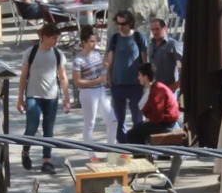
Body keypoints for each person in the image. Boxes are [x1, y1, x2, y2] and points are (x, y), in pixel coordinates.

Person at [16, 23, 71, 174]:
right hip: (33, 95)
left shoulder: (58, 54)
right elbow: (23, 76)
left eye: (57, 39)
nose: (56, 41)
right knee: (32, 127)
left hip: (51, 97)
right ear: (44, 37)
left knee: (49, 129)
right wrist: (20, 98)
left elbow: (63, 77)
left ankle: (47, 161)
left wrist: (66, 98)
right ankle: (25, 151)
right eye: (53, 38)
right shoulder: (31, 52)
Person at [73, 25, 116, 160]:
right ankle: (92, 155)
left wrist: (105, 68)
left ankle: (112, 152)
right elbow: (78, 82)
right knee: (90, 123)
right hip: (88, 93)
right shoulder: (78, 60)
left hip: (101, 91)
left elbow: (102, 73)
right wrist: (97, 80)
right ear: (84, 42)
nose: (94, 44)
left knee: (112, 121)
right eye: (91, 41)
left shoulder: (97, 54)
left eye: (95, 41)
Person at [104, 9, 148, 142]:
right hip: (117, 84)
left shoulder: (139, 38)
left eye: (123, 24)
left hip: (135, 85)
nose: (120, 27)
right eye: (118, 23)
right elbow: (110, 61)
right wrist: (109, 77)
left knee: (137, 118)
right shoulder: (115, 39)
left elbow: (144, 61)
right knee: (118, 119)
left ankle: (138, 145)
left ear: (130, 24)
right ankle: (123, 146)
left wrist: (145, 81)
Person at [124, 63, 179, 145]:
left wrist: (149, 118)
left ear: (145, 77)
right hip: (163, 122)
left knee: (131, 134)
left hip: (166, 124)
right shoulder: (153, 88)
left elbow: (157, 116)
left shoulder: (157, 90)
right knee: (137, 128)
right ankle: (144, 152)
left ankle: (142, 154)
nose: (138, 78)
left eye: (140, 75)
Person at [148, 18, 183, 92]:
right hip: (155, 88)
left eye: (157, 29)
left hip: (169, 89)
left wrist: (178, 83)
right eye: (152, 30)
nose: (154, 32)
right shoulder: (151, 45)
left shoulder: (172, 44)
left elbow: (186, 62)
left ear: (165, 28)